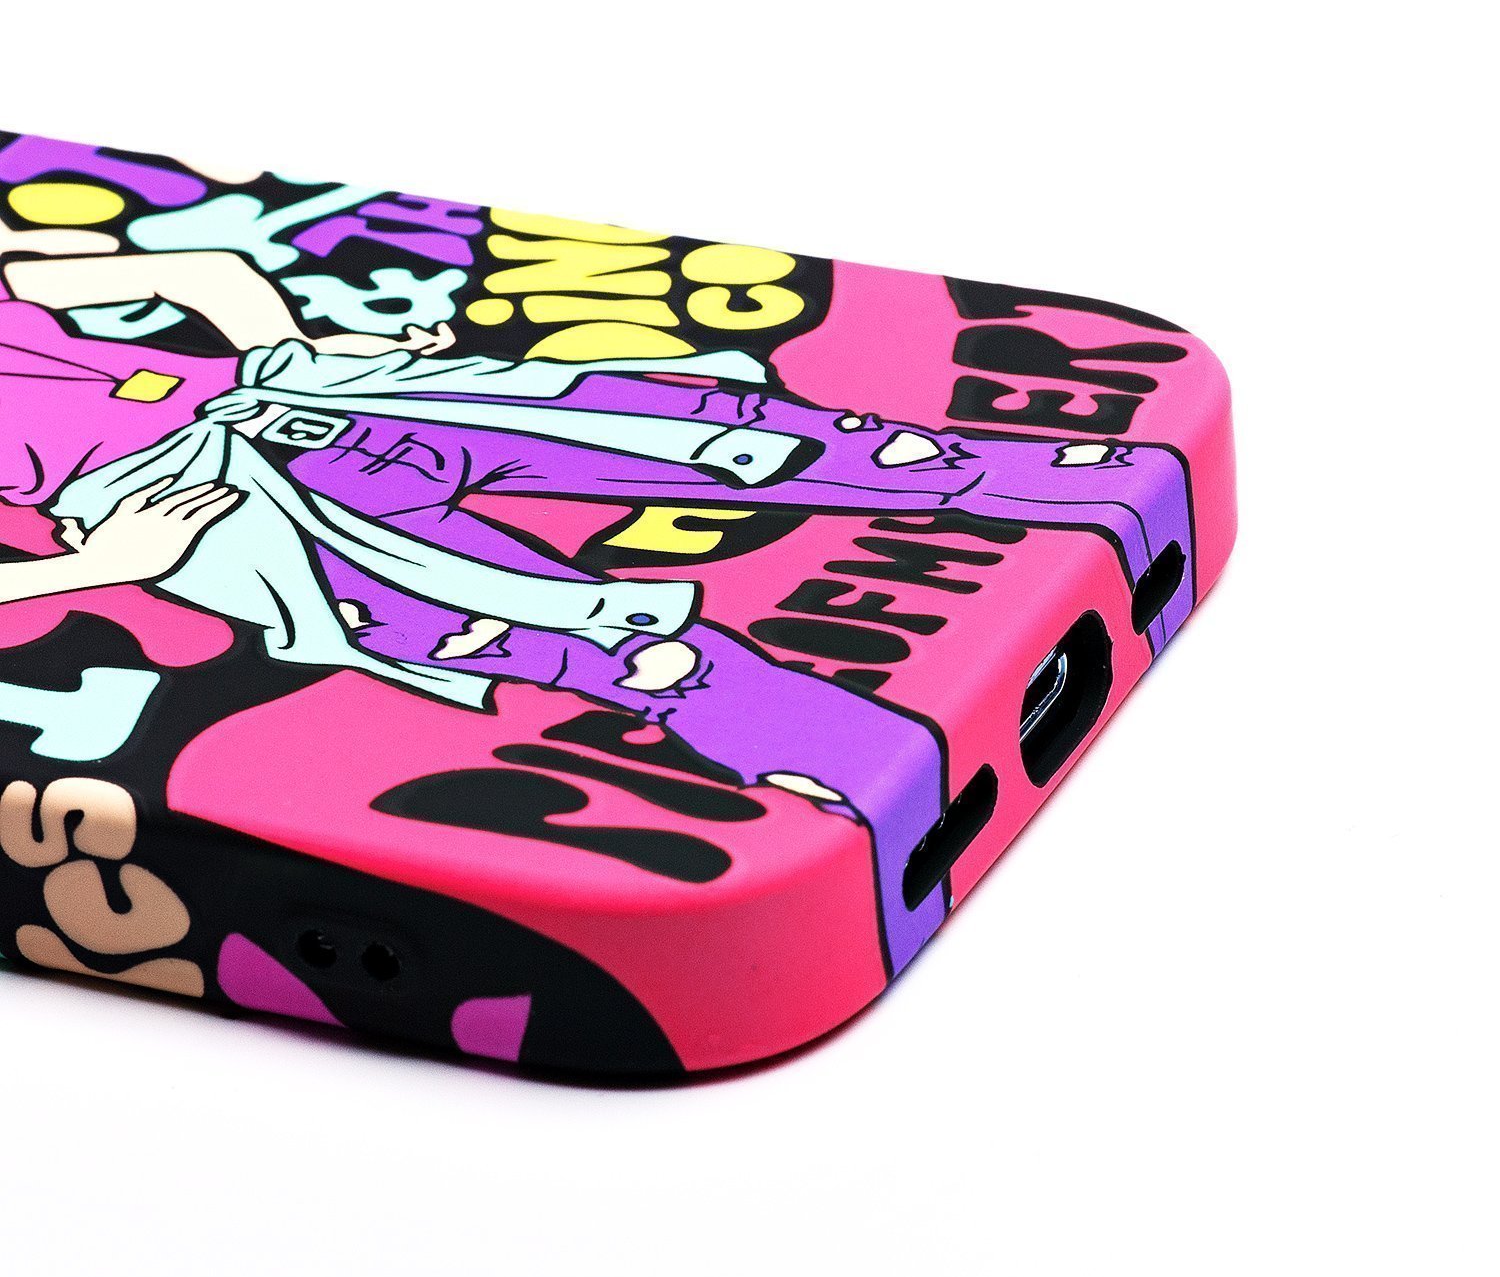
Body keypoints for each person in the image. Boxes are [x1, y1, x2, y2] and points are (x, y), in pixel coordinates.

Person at [0, 216, 1193, 972]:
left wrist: (287, 350)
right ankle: (851, 772)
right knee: (614, 646)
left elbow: (207, 267)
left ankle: (1088, 487)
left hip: (300, 396)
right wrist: (103, 562)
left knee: (753, 441)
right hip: (198, 504)